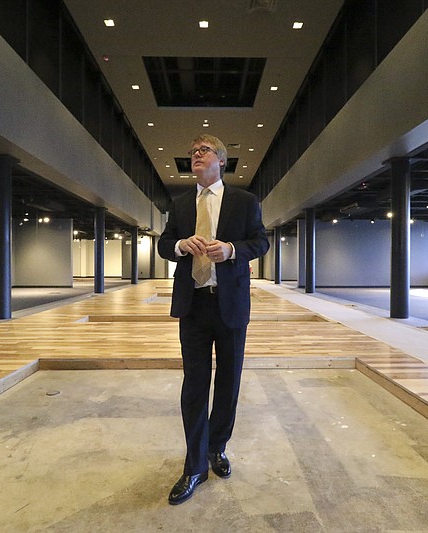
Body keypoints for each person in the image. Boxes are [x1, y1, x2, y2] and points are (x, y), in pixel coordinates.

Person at [158, 134, 269, 505]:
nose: (195, 156)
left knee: (228, 383)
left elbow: (261, 242)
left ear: (221, 160)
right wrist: (178, 246)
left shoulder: (244, 201)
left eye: (203, 151)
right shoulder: (180, 203)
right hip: (193, 306)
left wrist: (232, 249)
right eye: (192, 153)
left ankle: (217, 448)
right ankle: (194, 466)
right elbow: (164, 243)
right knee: (194, 385)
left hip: (230, 305)